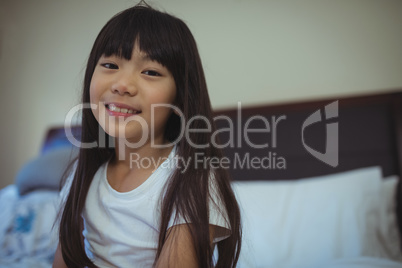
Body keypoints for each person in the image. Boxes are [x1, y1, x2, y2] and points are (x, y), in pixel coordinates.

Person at [54, 2, 241, 268]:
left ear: (180, 97)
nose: (122, 85)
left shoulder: (192, 181)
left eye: (151, 72)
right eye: (109, 64)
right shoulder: (80, 177)